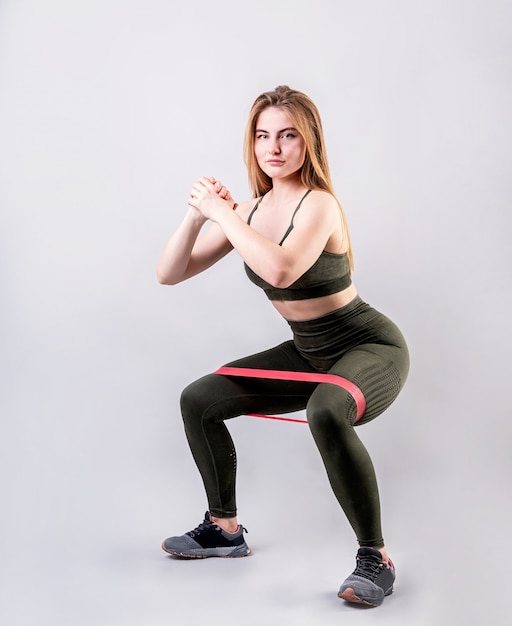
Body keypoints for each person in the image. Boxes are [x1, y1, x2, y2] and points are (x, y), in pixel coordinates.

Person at [156, 85, 409, 608]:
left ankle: (375, 558)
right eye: (262, 135)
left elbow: (281, 268)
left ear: (308, 142)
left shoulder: (320, 204)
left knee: (326, 410)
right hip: (309, 350)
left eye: (287, 135)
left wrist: (223, 215)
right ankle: (224, 530)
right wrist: (197, 214)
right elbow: (169, 273)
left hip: (368, 345)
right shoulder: (248, 211)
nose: (273, 147)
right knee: (199, 399)